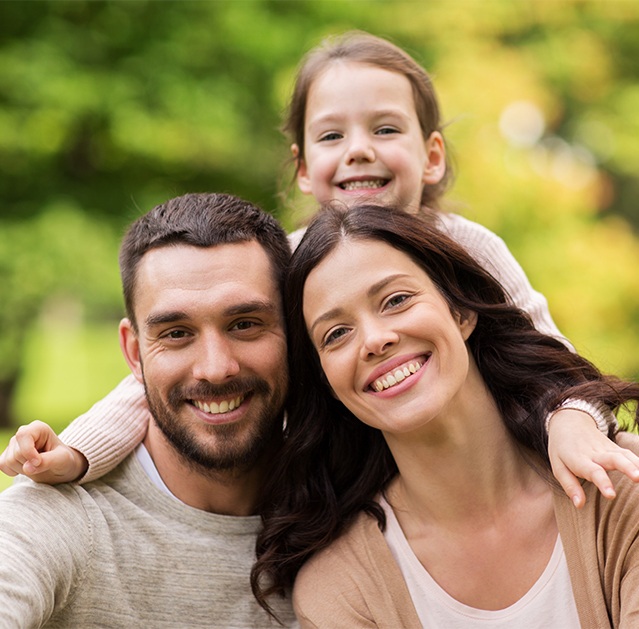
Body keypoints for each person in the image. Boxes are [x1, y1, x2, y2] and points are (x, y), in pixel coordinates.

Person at [1, 32, 636, 509]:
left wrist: (573, 424)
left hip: (487, 478)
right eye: (332, 137)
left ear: (432, 155)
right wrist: (79, 451)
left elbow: (552, 360)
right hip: (352, 489)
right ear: (304, 168)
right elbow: (166, 368)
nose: (359, 148)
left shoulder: (467, 248)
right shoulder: (291, 260)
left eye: (385, 128)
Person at [252, 202, 639, 628]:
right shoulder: (343, 587)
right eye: (336, 333)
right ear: (327, 382)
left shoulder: (621, 488)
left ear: (461, 311)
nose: (375, 340)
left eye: (396, 300)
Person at [0, 193, 297, 628]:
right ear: (134, 352)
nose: (215, 369)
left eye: (245, 324)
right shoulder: (61, 521)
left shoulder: (351, 506)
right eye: (177, 333)